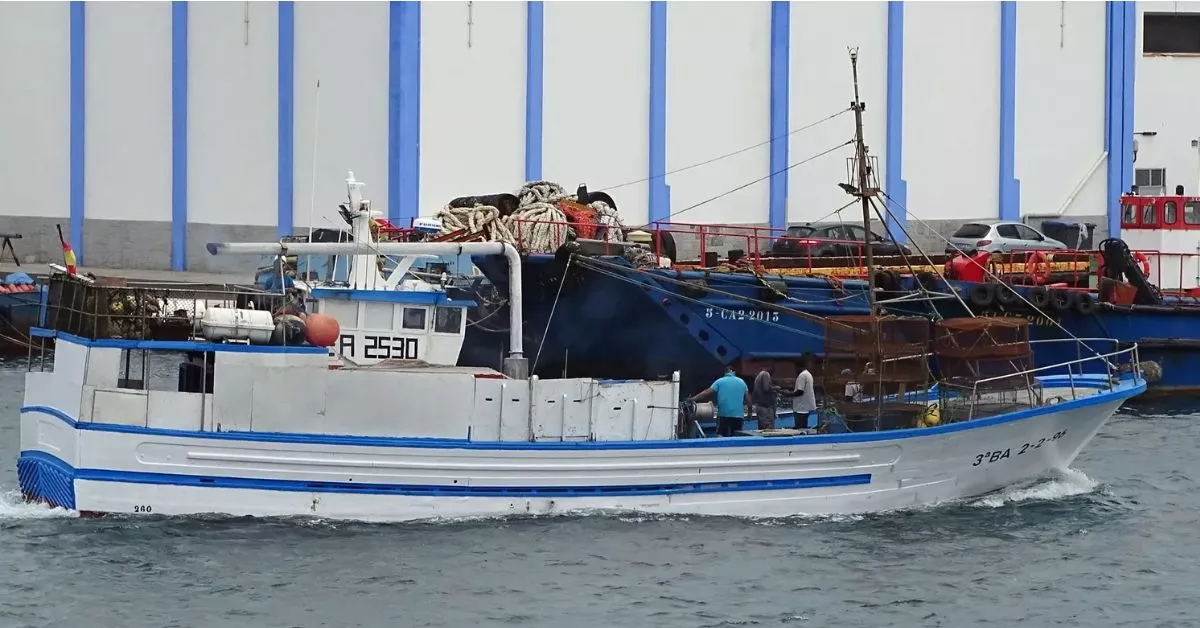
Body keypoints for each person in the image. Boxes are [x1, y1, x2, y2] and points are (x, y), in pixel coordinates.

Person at [689, 365, 751, 437]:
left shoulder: (719, 381)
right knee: (737, 436)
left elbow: (705, 393)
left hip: (723, 415)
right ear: (734, 372)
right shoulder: (742, 382)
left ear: (725, 372)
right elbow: (748, 399)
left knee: (720, 435)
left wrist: (692, 399)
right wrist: (750, 412)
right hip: (738, 416)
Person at [789, 353, 817, 429]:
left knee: (799, 428)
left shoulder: (802, 376)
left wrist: (788, 394)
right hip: (806, 407)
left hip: (800, 408)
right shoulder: (808, 374)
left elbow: (800, 391)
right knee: (804, 427)